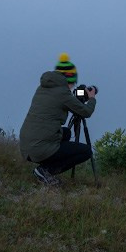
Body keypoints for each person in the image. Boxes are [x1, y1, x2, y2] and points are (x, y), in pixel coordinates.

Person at [19, 53, 97, 186]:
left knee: (66, 133)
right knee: (86, 151)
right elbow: (86, 112)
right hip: (39, 148)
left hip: (26, 145)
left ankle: (46, 163)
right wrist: (92, 98)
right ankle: (45, 170)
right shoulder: (63, 94)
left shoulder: (42, 88)